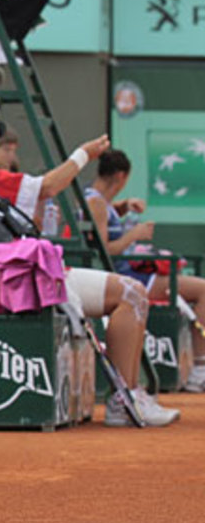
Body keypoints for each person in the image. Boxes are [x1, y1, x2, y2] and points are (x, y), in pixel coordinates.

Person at [0, 97, 178, 426]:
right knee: (132, 293)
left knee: (131, 292)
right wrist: (85, 154)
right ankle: (125, 399)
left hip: (5, 274)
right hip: (18, 279)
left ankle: (129, 394)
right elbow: (48, 186)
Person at [86, 149, 205, 392]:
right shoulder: (96, 203)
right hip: (126, 277)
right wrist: (134, 235)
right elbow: (105, 250)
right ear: (121, 176)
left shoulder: (97, 199)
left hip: (131, 272)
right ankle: (199, 370)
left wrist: (124, 207)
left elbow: (104, 218)